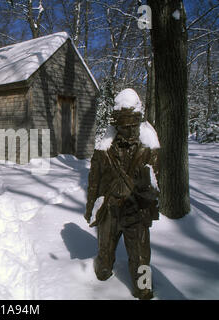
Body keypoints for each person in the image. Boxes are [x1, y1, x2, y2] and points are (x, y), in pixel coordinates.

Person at [85, 89, 160, 300]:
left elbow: (156, 184)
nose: (129, 131)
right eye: (124, 127)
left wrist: (146, 187)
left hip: (136, 210)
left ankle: (144, 288)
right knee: (104, 258)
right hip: (110, 209)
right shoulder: (104, 148)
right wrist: (90, 208)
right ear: (116, 126)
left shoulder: (149, 147)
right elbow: (94, 180)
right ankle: (102, 271)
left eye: (133, 126)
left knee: (141, 257)